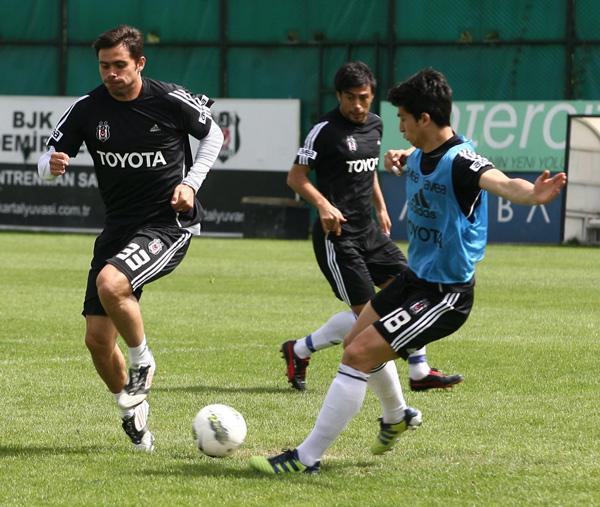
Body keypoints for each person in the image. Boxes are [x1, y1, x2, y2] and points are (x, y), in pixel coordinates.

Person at [250, 67, 566, 474]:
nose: (398, 126)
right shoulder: (420, 154)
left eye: (403, 118)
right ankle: (396, 415)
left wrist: (532, 194)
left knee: (358, 354)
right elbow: (413, 160)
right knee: (356, 341)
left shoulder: (462, 161)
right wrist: (403, 159)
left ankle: (305, 458)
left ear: (424, 119)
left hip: (445, 295)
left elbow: (501, 183)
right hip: (414, 280)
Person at [37, 25, 223, 452]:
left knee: (111, 283)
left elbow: (214, 133)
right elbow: (45, 161)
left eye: (119, 65)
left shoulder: (168, 99)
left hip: (167, 224)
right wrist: (51, 165)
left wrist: (191, 183)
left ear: (140, 63)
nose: (111, 74)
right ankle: (132, 411)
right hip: (118, 229)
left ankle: (143, 363)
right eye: (104, 66)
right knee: (97, 341)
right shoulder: (88, 108)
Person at [281, 61, 463, 392]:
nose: (357, 105)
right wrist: (323, 204)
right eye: (350, 97)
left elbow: (368, 172)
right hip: (338, 237)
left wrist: (380, 207)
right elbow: (296, 177)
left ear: (372, 96)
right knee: (368, 317)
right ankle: (405, 387)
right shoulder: (324, 130)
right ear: (339, 96)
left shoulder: (376, 125)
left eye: (364, 97)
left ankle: (302, 350)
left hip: (370, 232)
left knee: (414, 290)